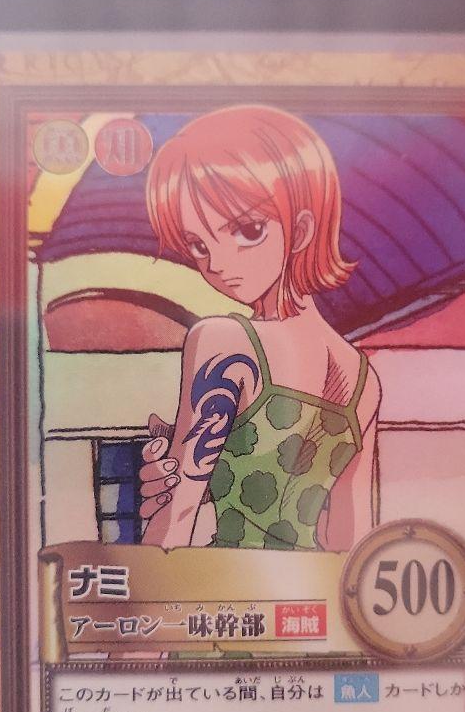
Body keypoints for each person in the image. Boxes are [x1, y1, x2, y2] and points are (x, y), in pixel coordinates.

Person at [139, 105, 380, 552]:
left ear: (301, 230)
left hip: (228, 581)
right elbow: (350, 541)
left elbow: (177, 517)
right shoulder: (364, 380)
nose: (217, 262)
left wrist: (143, 574)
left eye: (247, 229)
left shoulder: (223, 342)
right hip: (309, 588)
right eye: (197, 244)